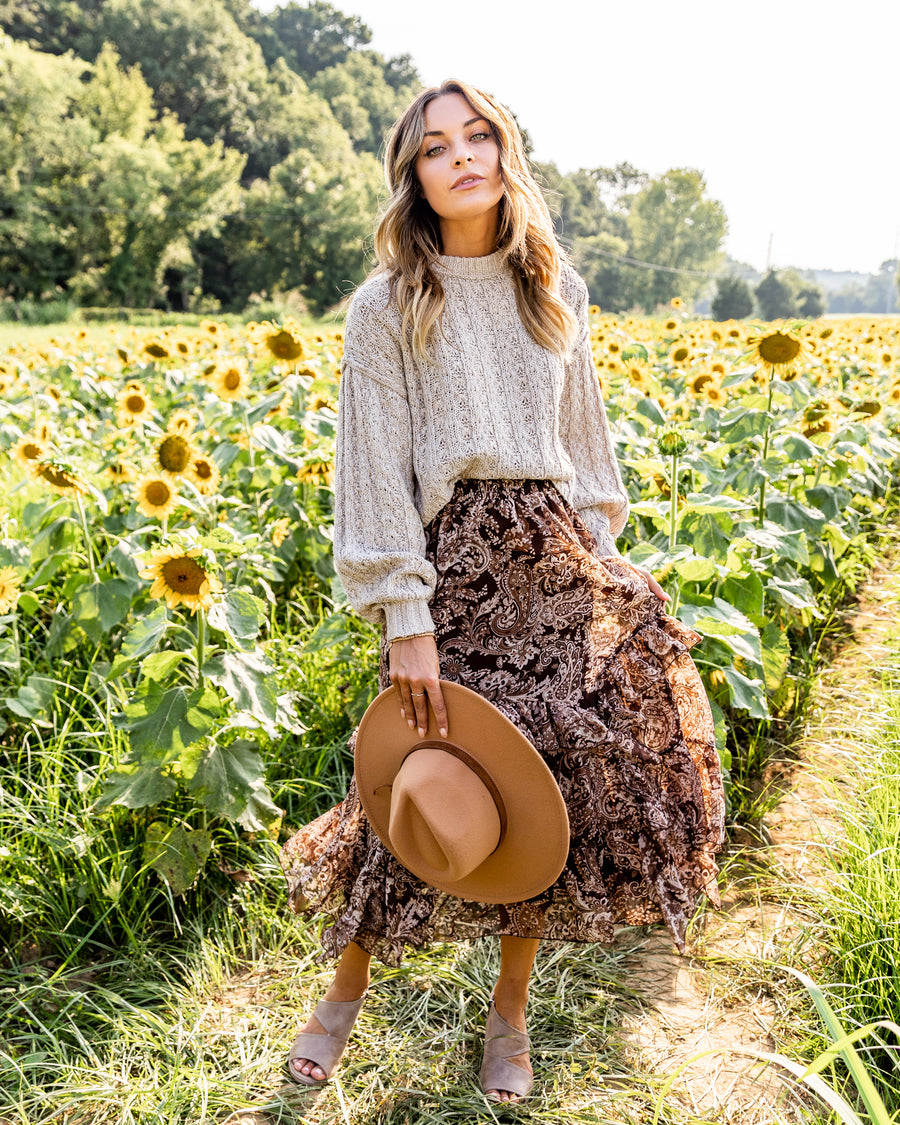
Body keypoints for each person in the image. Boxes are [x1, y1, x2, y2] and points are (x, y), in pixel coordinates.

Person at [280, 78, 726, 1104]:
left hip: (558, 559)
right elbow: (373, 466)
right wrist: (405, 616)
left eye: (478, 136)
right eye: (437, 146)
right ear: (416, 176)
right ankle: (342, 996)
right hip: (459, 563)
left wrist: (602, 559)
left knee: (547, 788)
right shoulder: (388, 304)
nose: (462, 156)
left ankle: (509, 1015)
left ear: (505, 154)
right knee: (426, 782)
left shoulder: (553, 287)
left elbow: (586, 448)